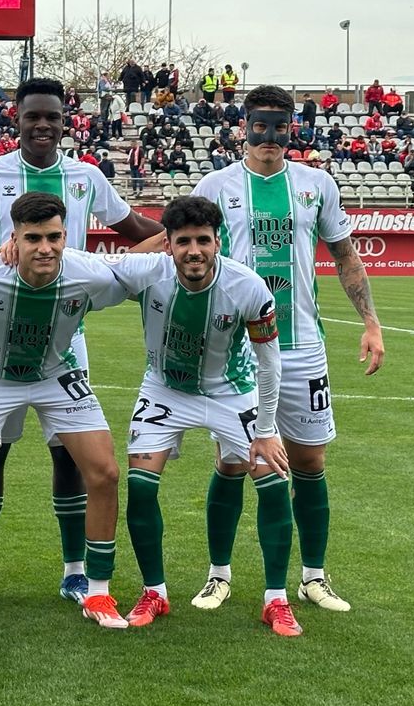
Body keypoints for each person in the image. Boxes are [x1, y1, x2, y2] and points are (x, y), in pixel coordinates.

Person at [0, 77, 164, 603]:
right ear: (15, 119)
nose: (42, 125)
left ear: (67, 121)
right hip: (0, 332)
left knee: (70, 456)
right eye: (31, 117)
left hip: (68, 337)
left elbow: (137, 232)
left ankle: (74, 570)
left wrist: (179, 230)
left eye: (52, 118)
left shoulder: (87, 176)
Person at [193, 85, 385, 614]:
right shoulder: (216, 185)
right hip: (233, 349)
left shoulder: (316, 184)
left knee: (309, 460)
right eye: (260, 125)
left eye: (281, 126)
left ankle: (314, 577)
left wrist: (371, 322)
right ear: (244, 126)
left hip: (302, 347)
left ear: (293, 128)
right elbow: (181, 245)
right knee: (233, 460)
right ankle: (218, 575)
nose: (270, 137)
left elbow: (346, 257)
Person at [0, 192, 136, 630]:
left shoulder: (91, 274)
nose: (45, 248)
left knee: (105, 472)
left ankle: (97, 592)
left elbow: (156, 261)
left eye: (54, 237)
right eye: (33, 239)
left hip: (56, 376)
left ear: (66, 236)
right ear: (15, 240)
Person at [106, 196, 299, 636]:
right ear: (167, 245)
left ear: (218, 243)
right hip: (164, 388)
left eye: (203, 241)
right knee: (139, 486)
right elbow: (84, 267)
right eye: (183, 242)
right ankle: (155, 592)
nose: (194, 251)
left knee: (272, 479)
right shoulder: (146, 272)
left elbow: (270, 364)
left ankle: (276, 600)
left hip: (232, 390)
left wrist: (267, 431)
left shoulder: (247, 286)